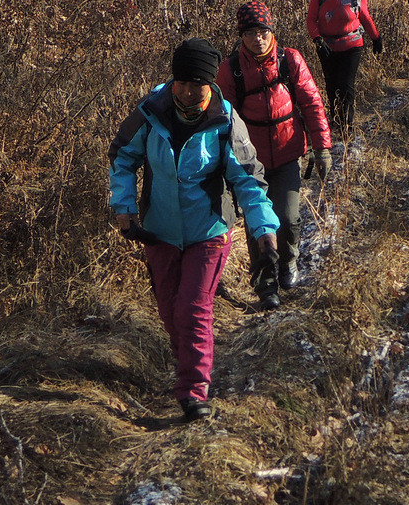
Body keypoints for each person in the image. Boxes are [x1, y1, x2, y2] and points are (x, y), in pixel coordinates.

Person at [109, 38, 280, 422]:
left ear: (210, 85)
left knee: (193, 307)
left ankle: (193, 390)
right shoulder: (150, 110)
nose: (188, 91)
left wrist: (265, 231)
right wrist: (124, 208)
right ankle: (186, 358)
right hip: (158, 231)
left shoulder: (225, 121)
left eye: (197, 85)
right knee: (171, 313)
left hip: (209, 231)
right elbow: (121, 157)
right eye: (182, 82)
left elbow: (248, 180)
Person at [217, 1, 333, 310]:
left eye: (263, 31)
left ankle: (288, 263)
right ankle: (265, 284)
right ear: (241, 36)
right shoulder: (231, 70)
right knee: (259, 223)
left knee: (287, 218)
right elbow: (221, 119)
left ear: (273, 32)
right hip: (248, 163)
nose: (258, 39)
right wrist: (221, 164)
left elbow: (311, 101)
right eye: (251, 33)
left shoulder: (290, 60)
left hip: (287, 155)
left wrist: (322, 148)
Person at [307, 0, 382, 133]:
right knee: (331, 85)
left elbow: (365, 18)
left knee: (346, 85)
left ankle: (347, 125)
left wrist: (376, 38)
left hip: (352, 46)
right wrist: (317, 39)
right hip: (326, 47)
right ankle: (335, 120)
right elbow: (311, 20)